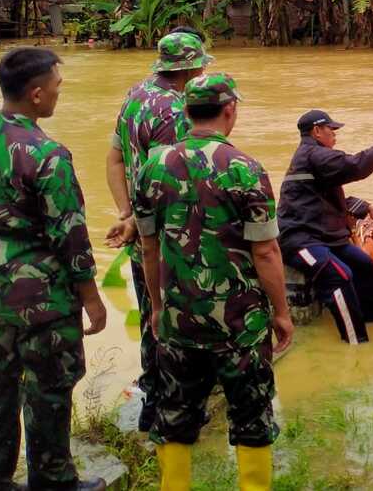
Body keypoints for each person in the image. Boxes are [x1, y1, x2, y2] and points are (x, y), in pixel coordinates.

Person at [135, 73, 294, 491]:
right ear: (230, 110)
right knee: (252, 417)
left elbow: (148, 249)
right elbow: (266, 252)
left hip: (178, 320)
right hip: (239, 326)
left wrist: (156, 307)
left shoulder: (154, 165)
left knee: (174, 417)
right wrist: (281, 312)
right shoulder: (245, 169)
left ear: (186, 112)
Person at [0, 48, 108, 491]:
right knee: (49, 389)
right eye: (57, 88)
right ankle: (53, 479)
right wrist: (92, 299)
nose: (59, 96)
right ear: (36, 93)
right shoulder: (48, 154)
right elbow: (71, 235)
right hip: (46, 301)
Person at [106, 30, 210, 432]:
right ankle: (172, 411)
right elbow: (172, 182)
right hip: (169, 239)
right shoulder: (175, 112)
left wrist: (126, 213)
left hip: (141, 235)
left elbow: (114, 159)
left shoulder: (135, 96)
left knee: (153, 317)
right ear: (191, 67)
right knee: (174, 320)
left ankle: (152, 397)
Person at [278, 111, 373, 344]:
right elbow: (355, 166)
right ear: (317, 131)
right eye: (332, 130)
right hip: (300, 240)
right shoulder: (314, 154)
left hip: (324, 237)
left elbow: (326, 198)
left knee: (365, 265)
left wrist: (366, 206)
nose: (335, 135)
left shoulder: (316, 159)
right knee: (339, 275)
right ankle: (356, 342)